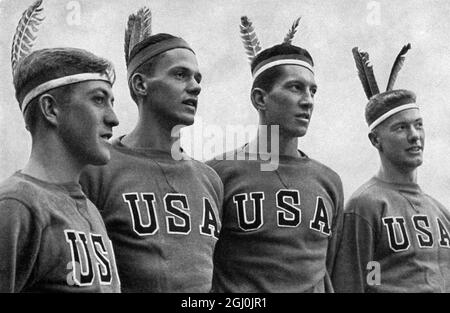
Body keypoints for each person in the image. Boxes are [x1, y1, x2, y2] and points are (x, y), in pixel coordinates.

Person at [80, 7, 223, 292]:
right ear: (141, 84)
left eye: (198, 78)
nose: (195, 87)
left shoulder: (210, 180)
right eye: (181, 75)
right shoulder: (96, 169)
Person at [206, 16, 344, 292]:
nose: (308, 101)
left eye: (312, 90)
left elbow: (331, 269)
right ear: (260, 99)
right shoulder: (217, 174)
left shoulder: (328, 181)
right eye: (295, 87)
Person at [0, 0, 121, 292]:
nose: (114, 119)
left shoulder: (90, 208)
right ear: (51, 109)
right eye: (98, 99)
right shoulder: (16, 207)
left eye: (111, 102)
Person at [332, 44, 450, 292]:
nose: (415, 136)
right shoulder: (365, 205)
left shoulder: (440, 212)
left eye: (418, 125)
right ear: (375, 140)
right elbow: (354, 283)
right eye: (401, 128)